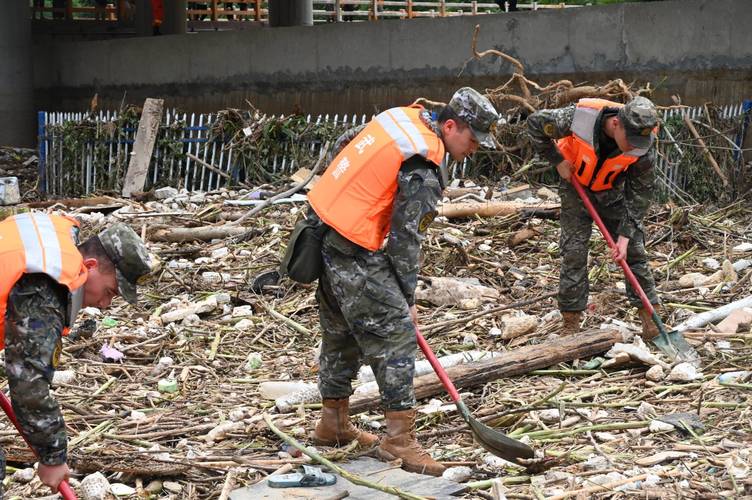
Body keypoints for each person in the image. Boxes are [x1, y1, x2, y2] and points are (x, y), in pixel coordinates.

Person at [305, 88, 499, 476]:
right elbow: (406, 239)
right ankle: (399, 440)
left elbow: (348, 141)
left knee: (341, 331)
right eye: (472, 139)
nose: (474, 149)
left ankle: (333, 424)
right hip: (356, 245)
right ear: (450, 126)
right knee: (395, 335)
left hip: (324, 228)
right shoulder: (423, 165)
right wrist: (407, 297)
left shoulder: (401, 119)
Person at [0, 213, 152, 495]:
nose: (105, 305)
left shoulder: (47, 240)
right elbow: (29, 386)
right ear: (90, 266)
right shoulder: (47, 281)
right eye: (110, 292)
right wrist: (53, 457)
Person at [526, 96, 661, 338]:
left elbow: (641, 193)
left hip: (612, 193)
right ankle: (571, 323)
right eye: (630, 141)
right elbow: (536, 123)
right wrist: (557, 160)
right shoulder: (579, 118)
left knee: (635, 253)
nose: (633, 147)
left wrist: (625, 236)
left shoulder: (645, 144)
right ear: (617, 124)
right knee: (574, 253)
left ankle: (651, 321)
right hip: (575, 186)